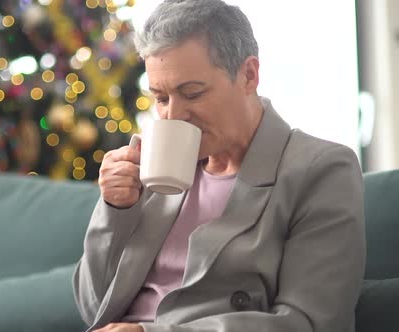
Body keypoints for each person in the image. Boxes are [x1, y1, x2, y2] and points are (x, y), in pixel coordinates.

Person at [72, 0, 365, 332]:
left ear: (249, 75)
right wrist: (114, 211)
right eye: (162, 98)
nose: (173, 116)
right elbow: (92, 307)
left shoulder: (320, 170)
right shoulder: (152, 166)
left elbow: (311, 322)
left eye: (193, 93)